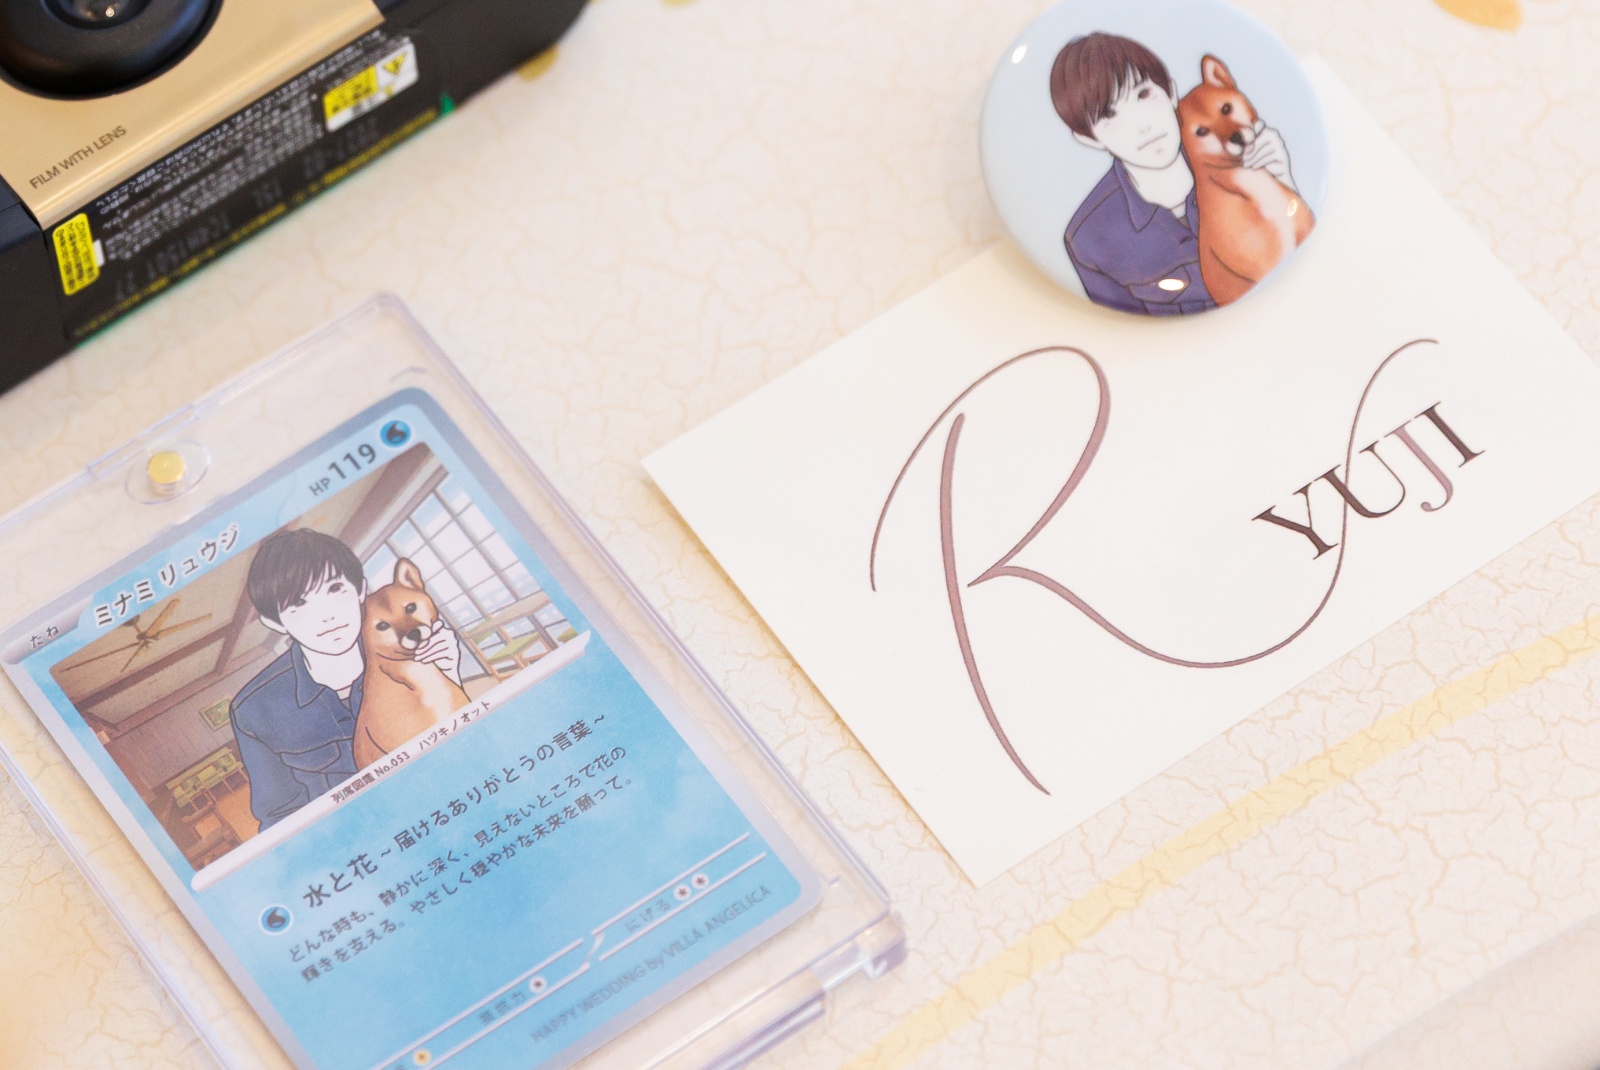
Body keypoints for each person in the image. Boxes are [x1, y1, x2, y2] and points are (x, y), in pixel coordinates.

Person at [230, 528, 461, 830]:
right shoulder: (255, 710)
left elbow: (459, 745)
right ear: (275, 622)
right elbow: (280, 816)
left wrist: (449, 679)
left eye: (336, 589)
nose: (326, 615)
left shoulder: (409, 649)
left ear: (360, 590)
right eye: (298, 605)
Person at [1049, 33, 1293, 316]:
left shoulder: (1242, 157)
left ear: (1171, 92)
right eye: (1109, 116)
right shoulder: (1090, 238)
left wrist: (1284, 186)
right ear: (1090, 139)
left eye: (1143, 95)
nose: (1142, 125)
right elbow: (1127, 328)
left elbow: (1292, 259)